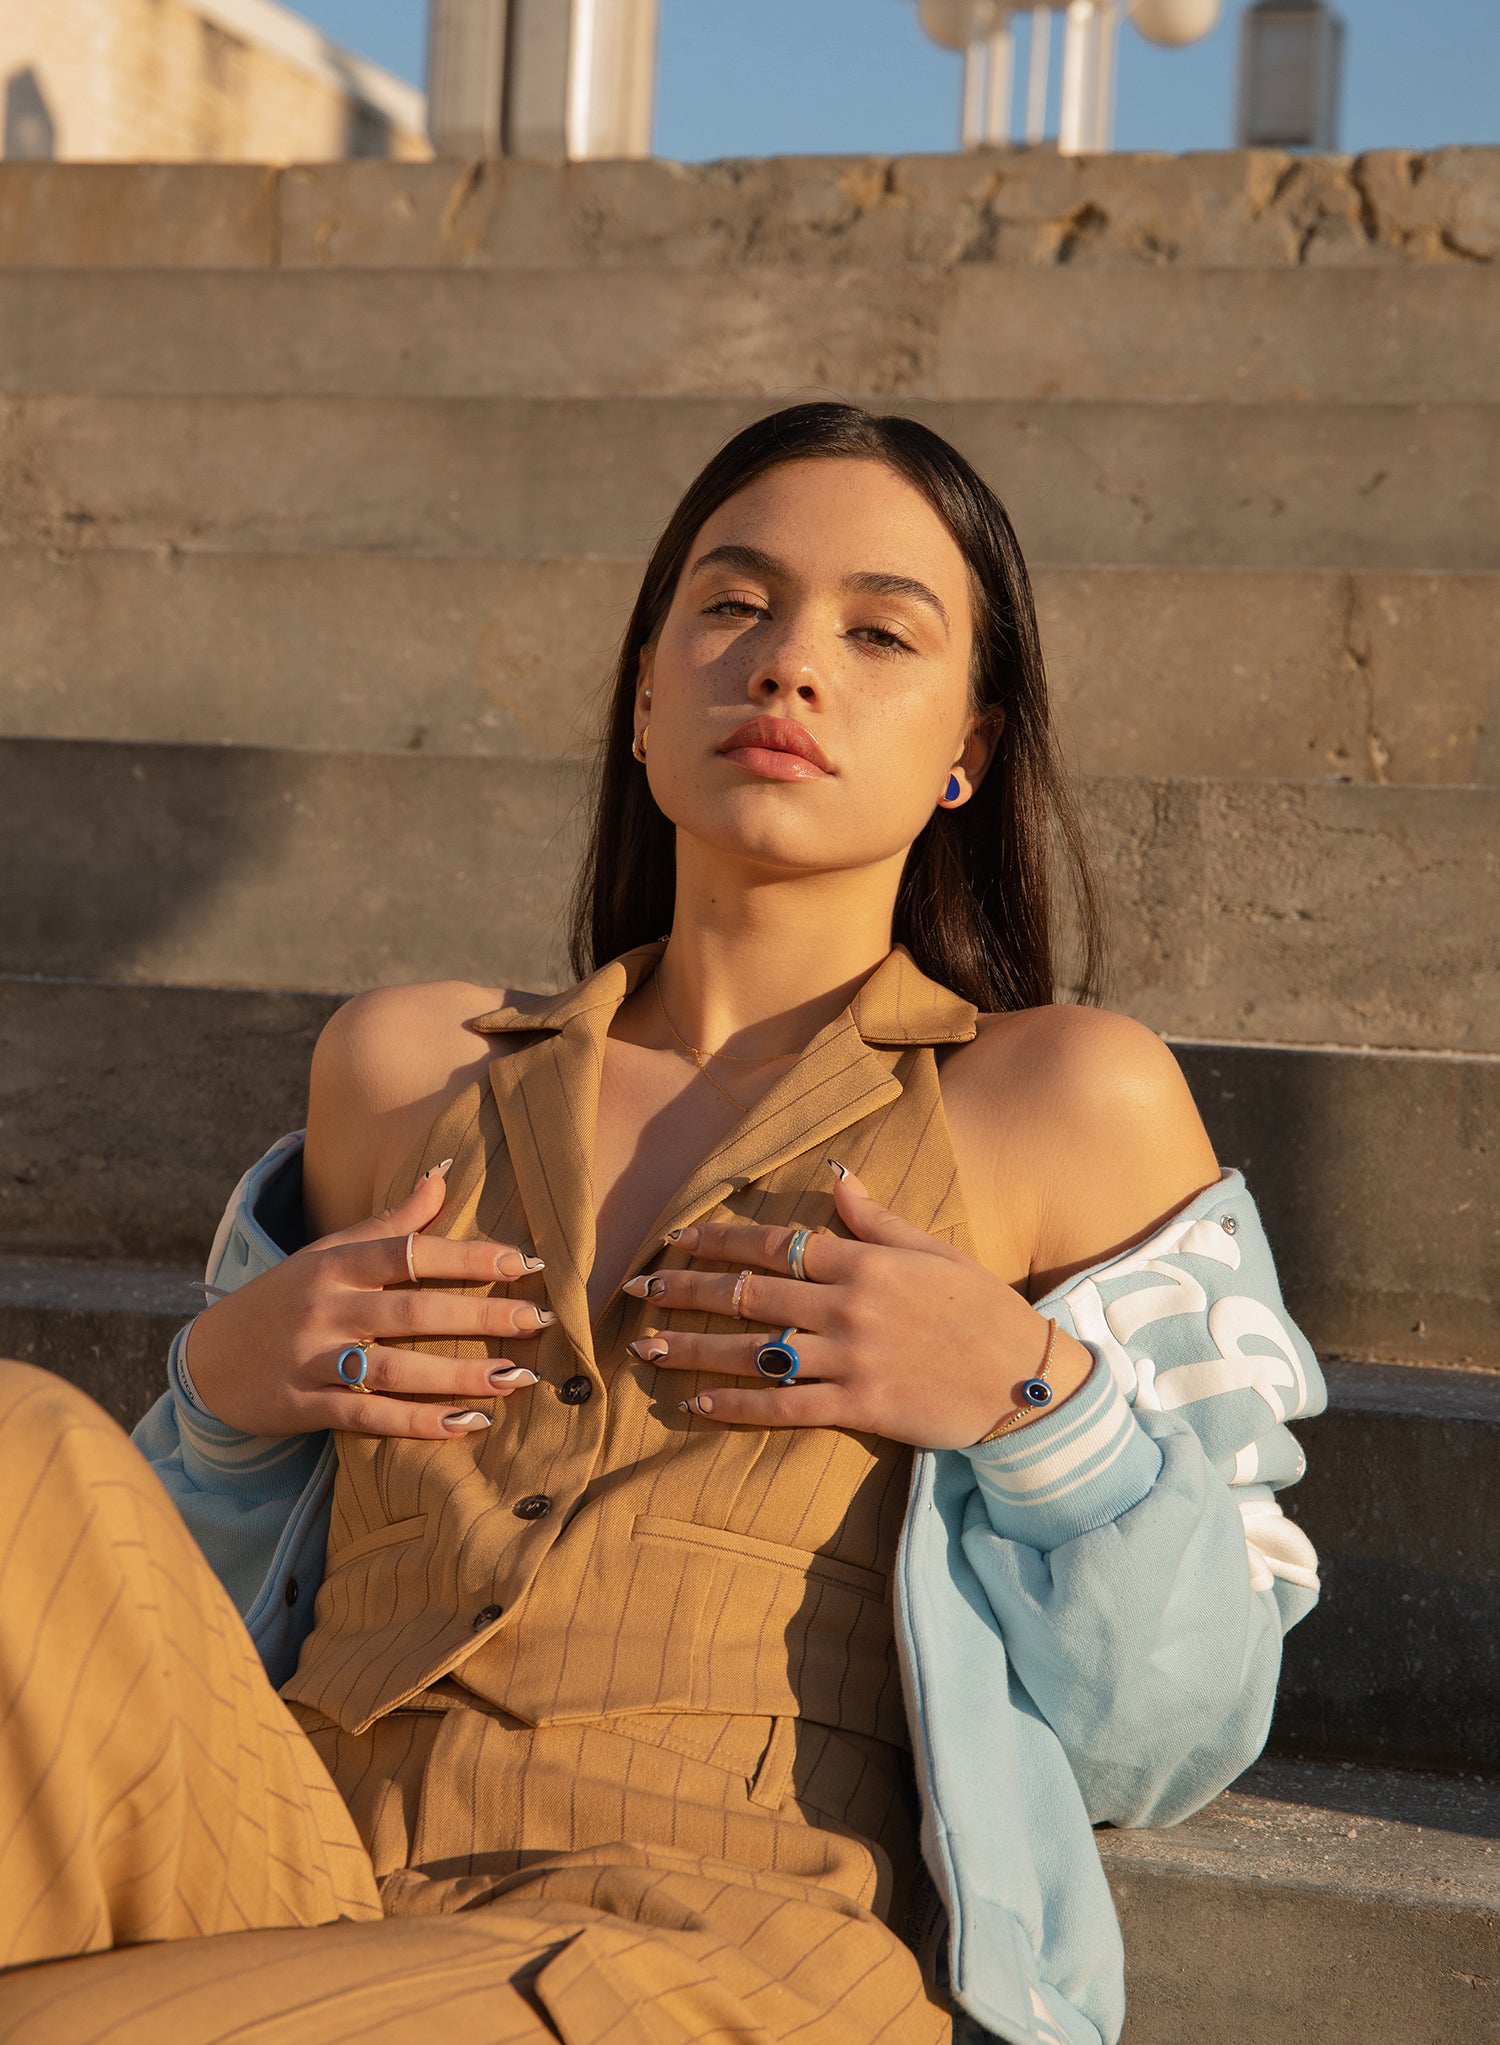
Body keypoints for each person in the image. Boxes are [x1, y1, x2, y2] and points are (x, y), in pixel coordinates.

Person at [0, 405, 1324, 2045]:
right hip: (293, 1881)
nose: (787, 666)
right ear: (641, 693)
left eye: (878, 631)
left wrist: (1026, 1394)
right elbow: (118, 1661)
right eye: (732, 606)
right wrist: (219, 1398)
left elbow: (1175, 1730)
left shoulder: (1061, 1099)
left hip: (728, 1952)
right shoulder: (404, 1073)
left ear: (968, 748)